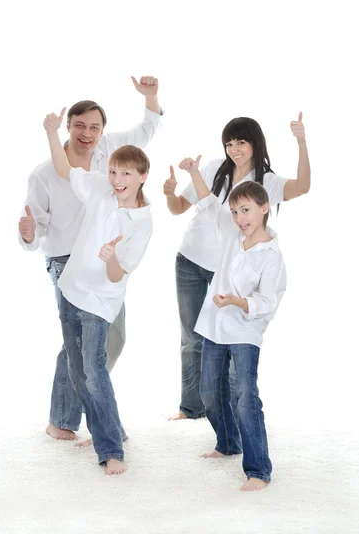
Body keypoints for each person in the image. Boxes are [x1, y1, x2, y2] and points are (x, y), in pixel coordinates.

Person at [19, 76, 162, 441]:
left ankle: (91, 403)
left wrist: (150, 97)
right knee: (79, 346)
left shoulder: (110, 154)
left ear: (102, 131)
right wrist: (28, 233)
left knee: (113, 339)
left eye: (94, 127)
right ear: (68, 127)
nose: (87, 133)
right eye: (80, 125)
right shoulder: (44, 173)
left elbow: (145, 132)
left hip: (104, 260)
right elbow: (35, 232)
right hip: (66, 260)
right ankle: (65, 422)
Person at [164, 114, 309, 422]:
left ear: (255, 143)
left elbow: (303, 186)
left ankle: (228, 414)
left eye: (241, 142)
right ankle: (191, 408)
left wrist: (301, 141)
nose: (234, 149)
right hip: (190, 261)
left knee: (229, 340)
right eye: (229, 143)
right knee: (192, 338)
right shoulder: (213, 168)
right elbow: (179, 208)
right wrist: (168, 193)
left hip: (229, 271)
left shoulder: (266, 182)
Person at [44, 104, 153, 475]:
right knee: (77, 372)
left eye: (125, 173)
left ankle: (110, 450)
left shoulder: (141, 221)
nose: (117, 179)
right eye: (112, 171)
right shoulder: (100, 190)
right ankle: (113, 429)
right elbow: (63, 169)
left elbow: (115, 275)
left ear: (142, 177)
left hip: (98, 302)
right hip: (70, 289)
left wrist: (110, 256)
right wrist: (51, 131)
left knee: (94, 370)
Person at [179, 160, 286, 490]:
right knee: (210, 391)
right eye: (236, 212)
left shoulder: (271, 256)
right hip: (214, 326)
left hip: (244, 332)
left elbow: (267, 304)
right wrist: (193, 172)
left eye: (247, 210)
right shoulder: (231, 232)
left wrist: (239, 302)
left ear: (265, 207)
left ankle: (258, 469)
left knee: (244, 396)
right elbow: (209, 204)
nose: (240, 219)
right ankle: (227, 443)